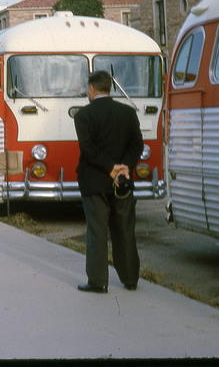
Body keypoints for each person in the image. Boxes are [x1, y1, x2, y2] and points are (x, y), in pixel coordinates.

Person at [74, 70, 144, 294]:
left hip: (94, 183)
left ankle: (98, 281)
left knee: (97, 231)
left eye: (87, 89)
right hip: (122, 183)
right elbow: (137, 145)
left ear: (92, 89)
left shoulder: (83, 116)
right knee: (124, 230)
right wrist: (123, 166)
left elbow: (88, 149)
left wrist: (109, 168)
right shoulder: (128, 112)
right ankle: (130, 279)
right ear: (109, 88)